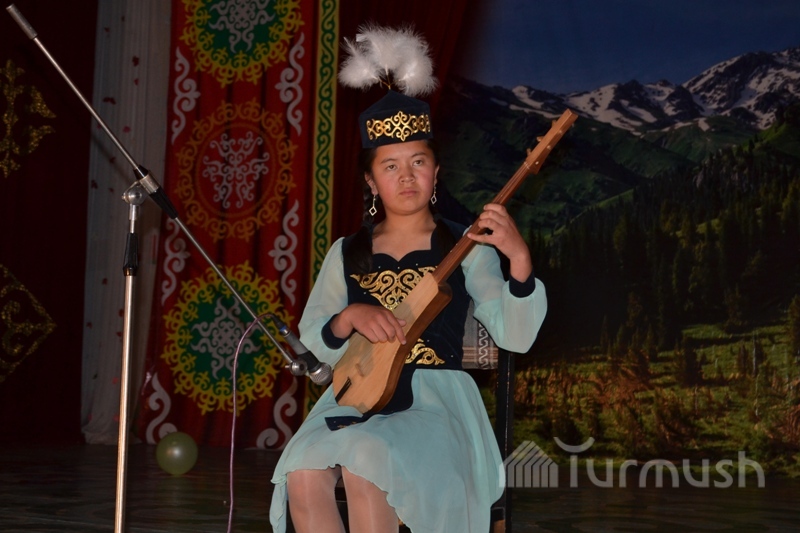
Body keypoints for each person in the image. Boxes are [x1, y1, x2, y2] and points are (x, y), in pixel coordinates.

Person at [269, 28, 547, 533]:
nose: (406, 177)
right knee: (303, 472)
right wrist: (349, 317)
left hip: (438, 405)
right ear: (371, 181)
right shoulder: (347, 252)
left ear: (436, 173)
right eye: (390, 166)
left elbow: (515, 335)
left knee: (365, 458)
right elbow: (313, 345)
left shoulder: (466, 247)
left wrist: (519, 259)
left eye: (418, 162)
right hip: (358, 397)